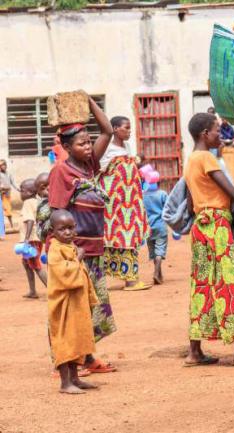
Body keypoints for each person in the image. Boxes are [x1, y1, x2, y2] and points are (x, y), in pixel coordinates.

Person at [183, 112, 234, 368]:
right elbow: (233, 193)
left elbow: (191, 202)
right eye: (217, 130)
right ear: (205, 133)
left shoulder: (190, 160)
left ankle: (195, 351)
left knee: (203, 286)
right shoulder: (207, 158)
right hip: (217, 226)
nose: (220, 135)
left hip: (201, 227)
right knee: (229, 283)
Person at [48, 94, 117, 374]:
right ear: (66, 147)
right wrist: (69, 251)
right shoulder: (61, 172)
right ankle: (65, 361)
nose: (88, 147)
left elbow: (107, 131)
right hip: (75, 251)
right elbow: (56, 213)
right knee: (71, 307)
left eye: (89, 142)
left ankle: (87, 358)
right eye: (81, 144)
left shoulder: (88, 165)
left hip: (94, 247)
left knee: (90, 305)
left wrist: (88, 102)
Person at [47, 209, 99, 394]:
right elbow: (63, 273)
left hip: (76, 304)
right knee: (65, 341)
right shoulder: (55, 249)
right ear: (52, 231)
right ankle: (65, 383)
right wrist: (78, 258)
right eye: (62, 229)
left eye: (71, 228)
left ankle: (75, 378)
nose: (68, 232)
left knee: (77, 339)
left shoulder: (70, 246)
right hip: (63, 306)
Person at [99, 116, 151, 291]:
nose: (129, 131)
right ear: (114, 129)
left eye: (129, 128)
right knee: (114, 238)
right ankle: (125, 280)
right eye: (126, 128)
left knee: (130, 238)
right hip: (114, 206)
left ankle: (131, 280)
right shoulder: (106, 148)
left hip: (130, 204)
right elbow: (100, 172)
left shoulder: (127, 147)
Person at [19, 179, 48, 299]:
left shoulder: (28, 202)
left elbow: (30, 220)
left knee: (36, 265)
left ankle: (52, 290)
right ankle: (32, 291)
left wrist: (26, 239)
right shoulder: (36, 201)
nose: (20, 193)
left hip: (31, 240)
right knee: (26, 263)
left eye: (22, 190)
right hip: (35, 239)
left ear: (30, 192)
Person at [142, 172, 168, 285]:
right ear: (158, 182)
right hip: (161, 226)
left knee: (153, 251)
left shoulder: (143, 195)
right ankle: (157, 273)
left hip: (148, 228)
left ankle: (159, 274)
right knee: (160, 250)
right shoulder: (162, 194)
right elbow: (168, 208)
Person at [0, 159, 19, 230]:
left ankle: (11, 225)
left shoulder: (9, 174)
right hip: (2, 193)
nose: (3, 166)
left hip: (7, 193)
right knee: (4, 210)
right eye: (2, 165)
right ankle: (5, 226)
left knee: (8, 209)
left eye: (4, 165)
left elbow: (13, 183)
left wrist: (18, 189)